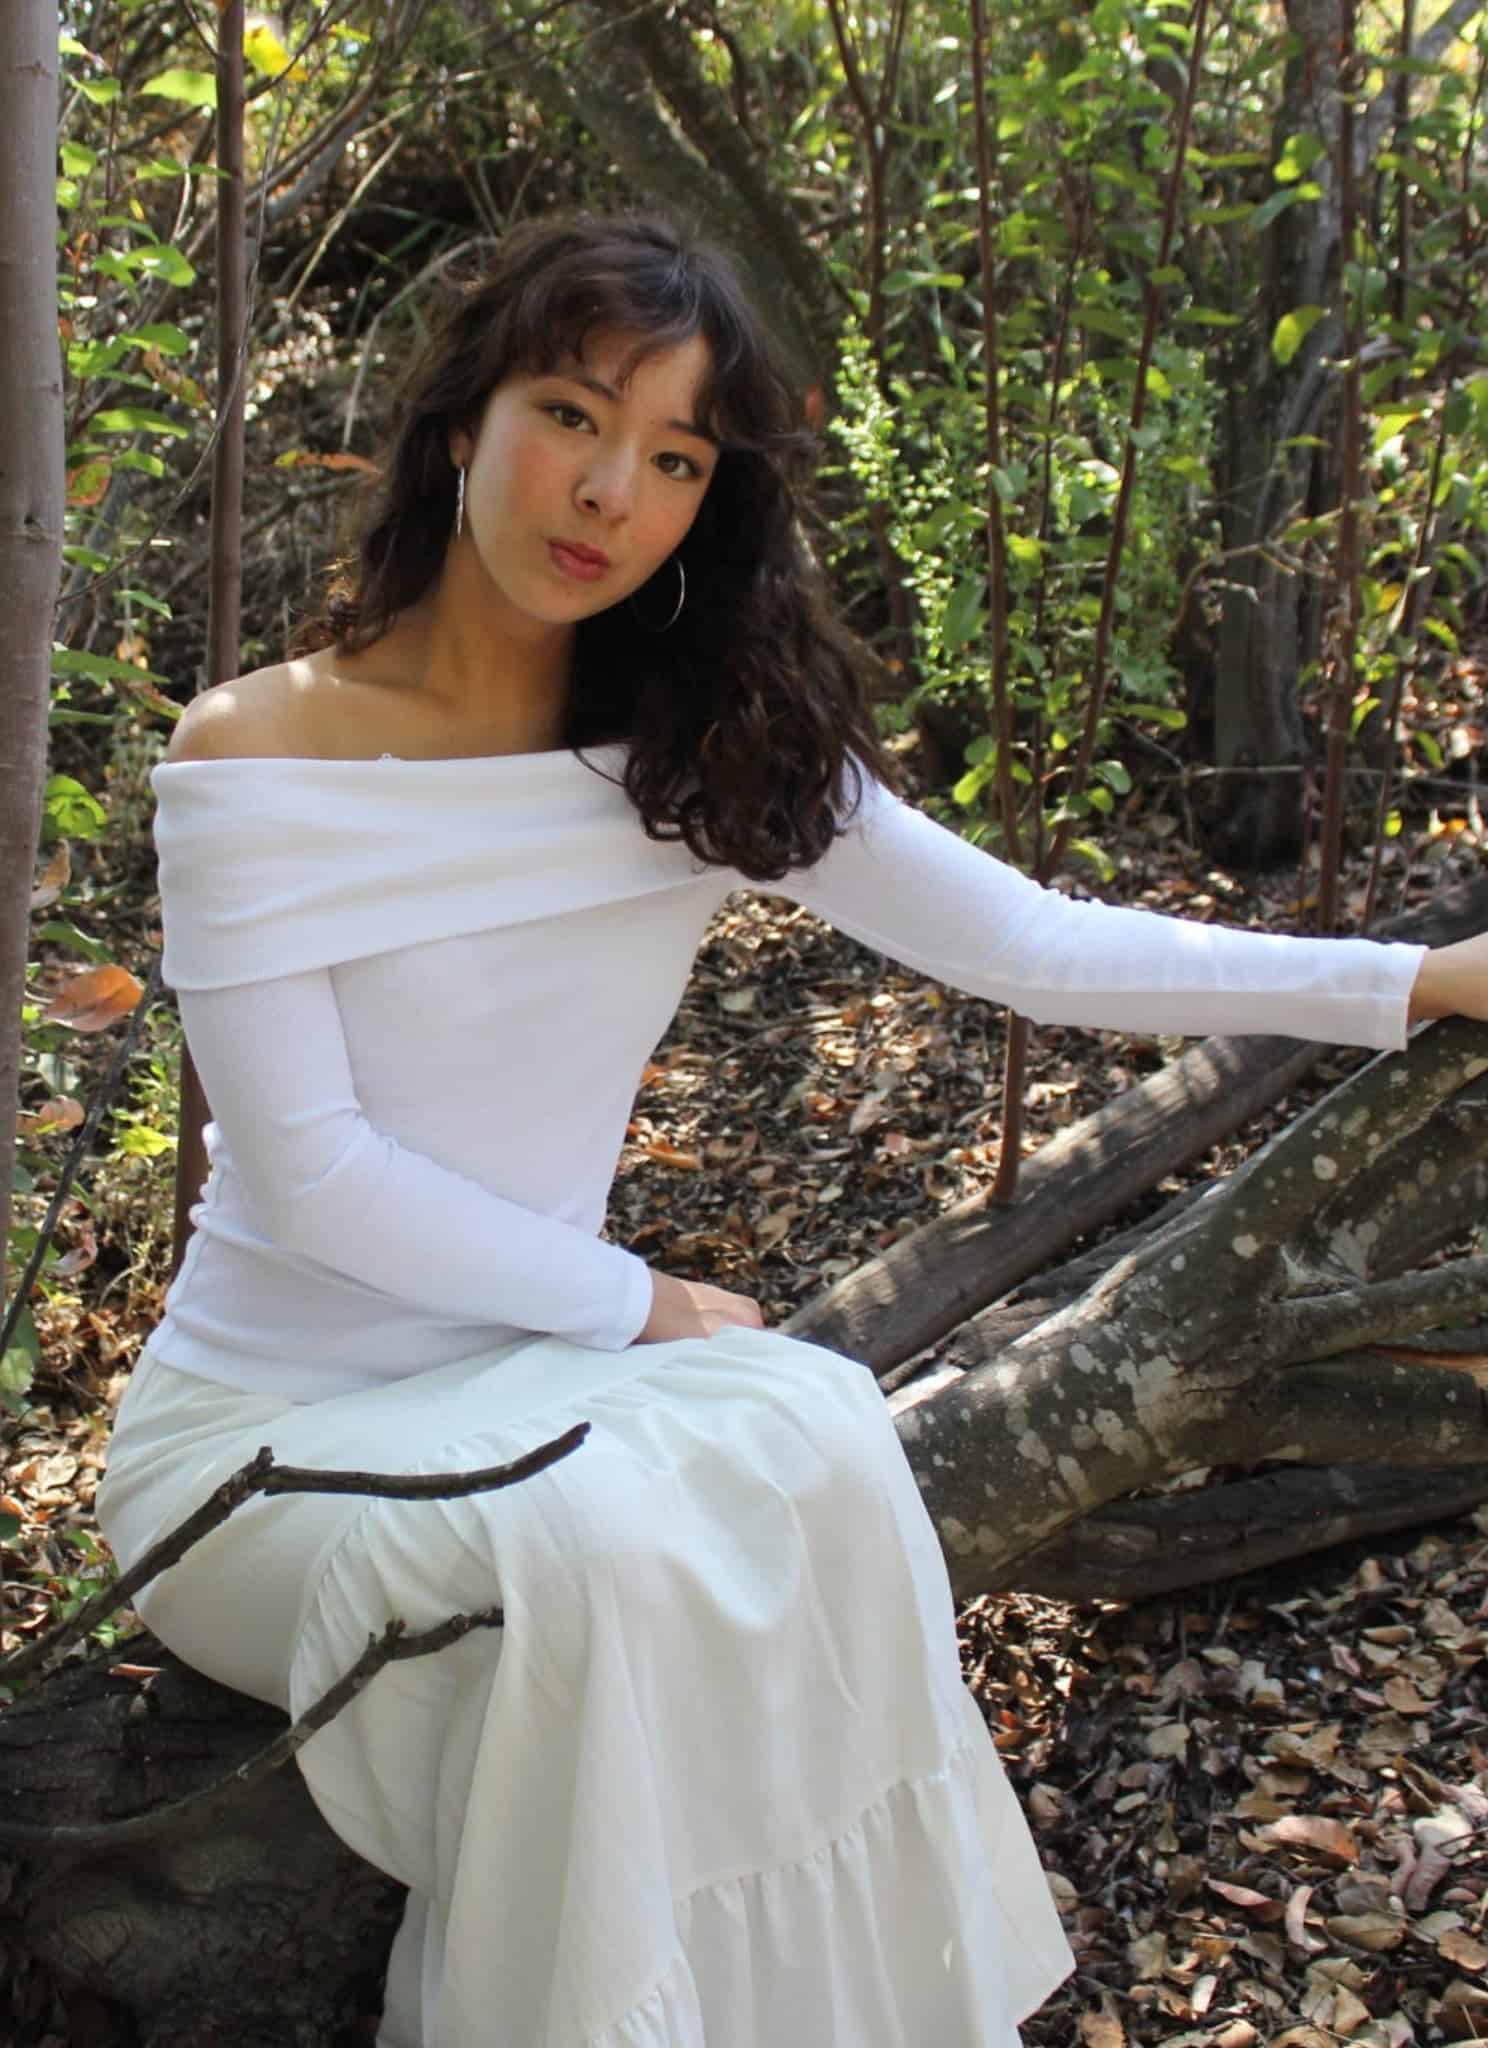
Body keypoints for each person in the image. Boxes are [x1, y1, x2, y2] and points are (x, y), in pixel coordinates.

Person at [97, 212, 1488, 2048]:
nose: (607, 490)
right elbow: (315, 1176)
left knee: (819, 1438)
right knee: (599, 1554)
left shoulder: (699, 750)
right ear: (461, 422)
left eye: (674, 458)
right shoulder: (253, 757)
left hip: (536, 1392)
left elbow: (1037, 948)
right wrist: (644, 1303)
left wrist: (1409, 985)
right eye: (572, 415)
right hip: (262, 1449)